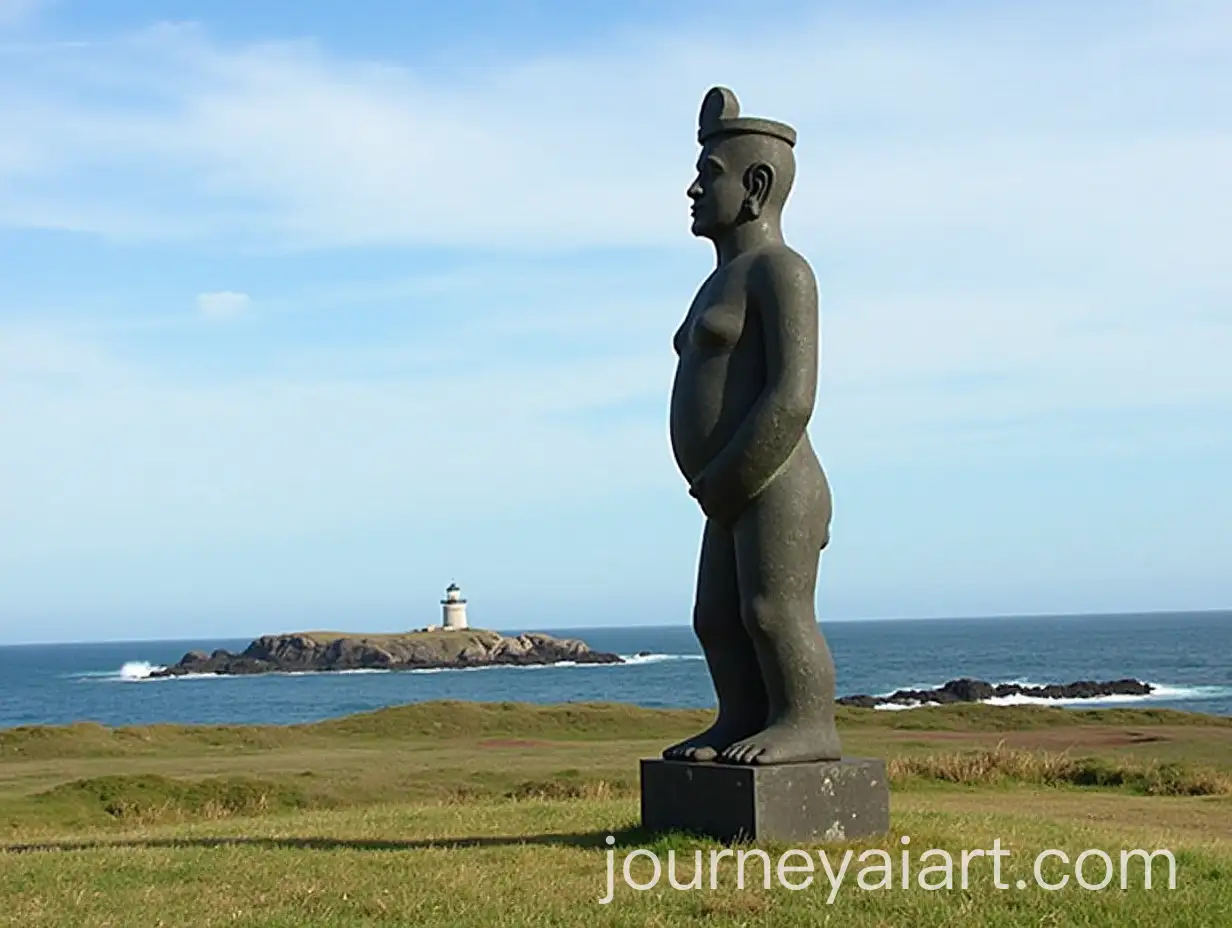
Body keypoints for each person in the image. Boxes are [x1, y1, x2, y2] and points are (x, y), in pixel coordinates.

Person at [663, 86, 842, 765]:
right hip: (727, 490)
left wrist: (733, 477)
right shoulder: (715, 283)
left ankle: (807, 723)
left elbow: (793, 396)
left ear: (755, 187)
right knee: (714, 619)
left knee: (771, 611)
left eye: (709, 176)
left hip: (774, 481)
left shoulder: (782, 272)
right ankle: (738, 719)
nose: (692, 190)